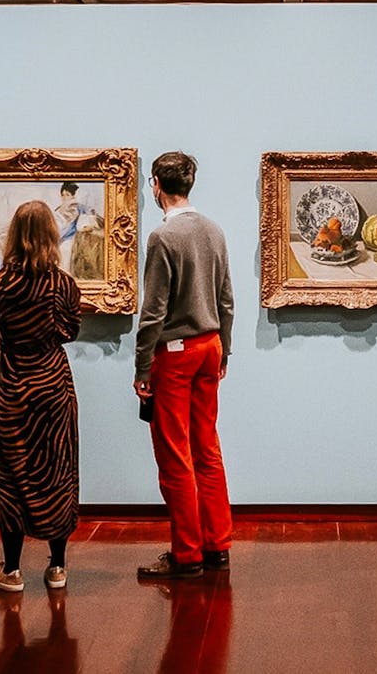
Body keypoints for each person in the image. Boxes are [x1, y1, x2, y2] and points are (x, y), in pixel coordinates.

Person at [134, 152, 235, 579]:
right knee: (207, 448)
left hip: (174, 353)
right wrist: (224, 349)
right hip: (210, 345)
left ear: (156, 183)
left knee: (176, 456)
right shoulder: (214, 230)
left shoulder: (163, 238)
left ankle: (187, 554)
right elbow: (226, 299)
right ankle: (217, 544)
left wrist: (141, 369)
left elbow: (153, 312)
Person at [0, 201, 82, 593]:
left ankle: (12, 571)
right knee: (58, 471)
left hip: (10, 387)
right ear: (51, 236)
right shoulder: (63, 285)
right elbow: (70, 332)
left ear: (13, 235)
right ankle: (57, 567)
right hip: (53, 388)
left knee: (10, 476)